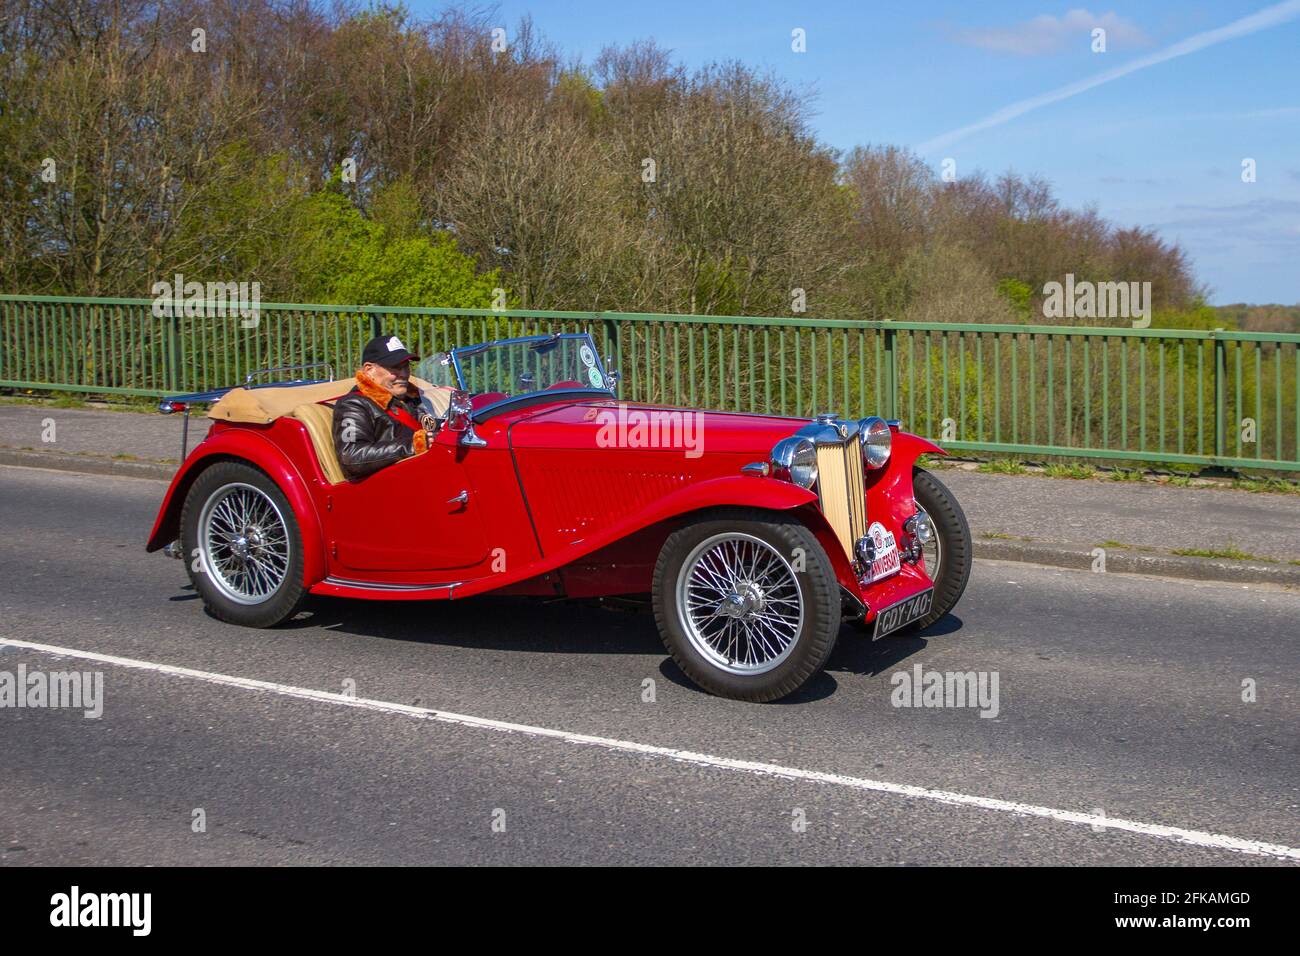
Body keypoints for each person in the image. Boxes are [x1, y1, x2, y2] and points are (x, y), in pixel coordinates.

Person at [332, 334, 440, 480]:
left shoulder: (414, 398)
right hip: (389, 486)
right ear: (369, 370)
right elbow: (351, 456)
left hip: (426, 473)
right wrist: (413, 445)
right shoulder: (353, 405)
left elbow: (433, 427)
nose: (404, 374)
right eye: (395, 367)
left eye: (406, 366)